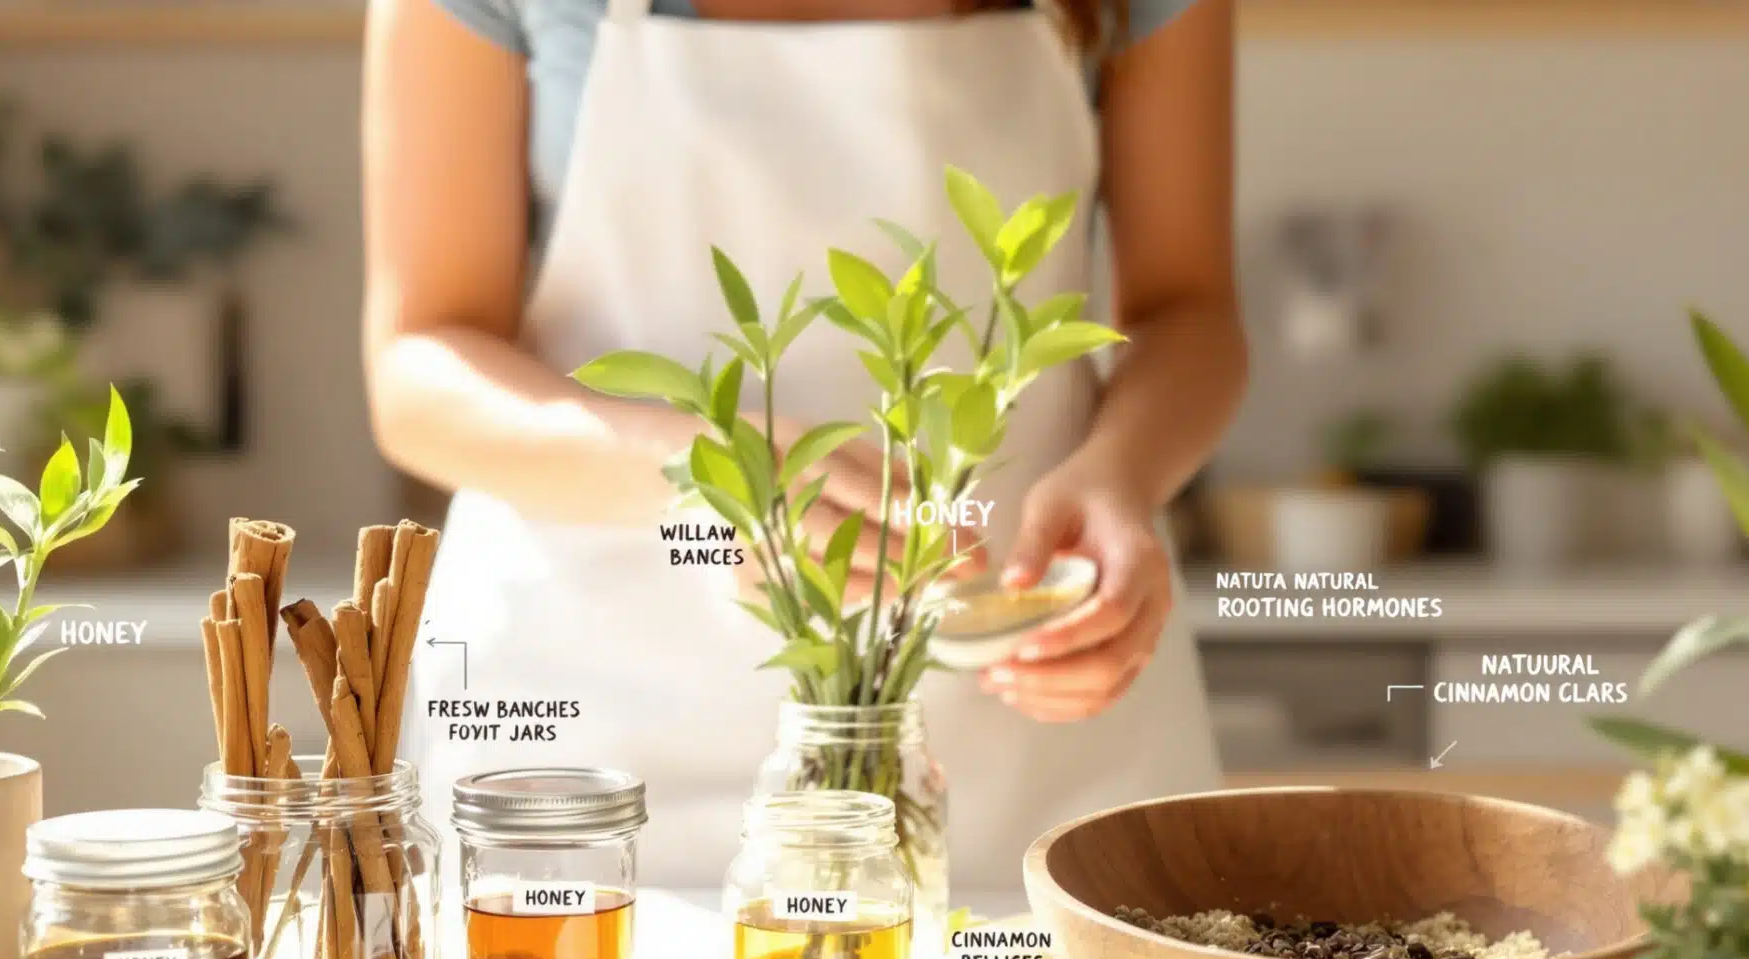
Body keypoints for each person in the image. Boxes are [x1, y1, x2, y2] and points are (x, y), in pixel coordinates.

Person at [362, 0, 1246, 887]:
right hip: (592, 741)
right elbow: (419, 366)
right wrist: (706, 477)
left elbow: (1190, 308)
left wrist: (1120, 475)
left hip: (1031, 728)